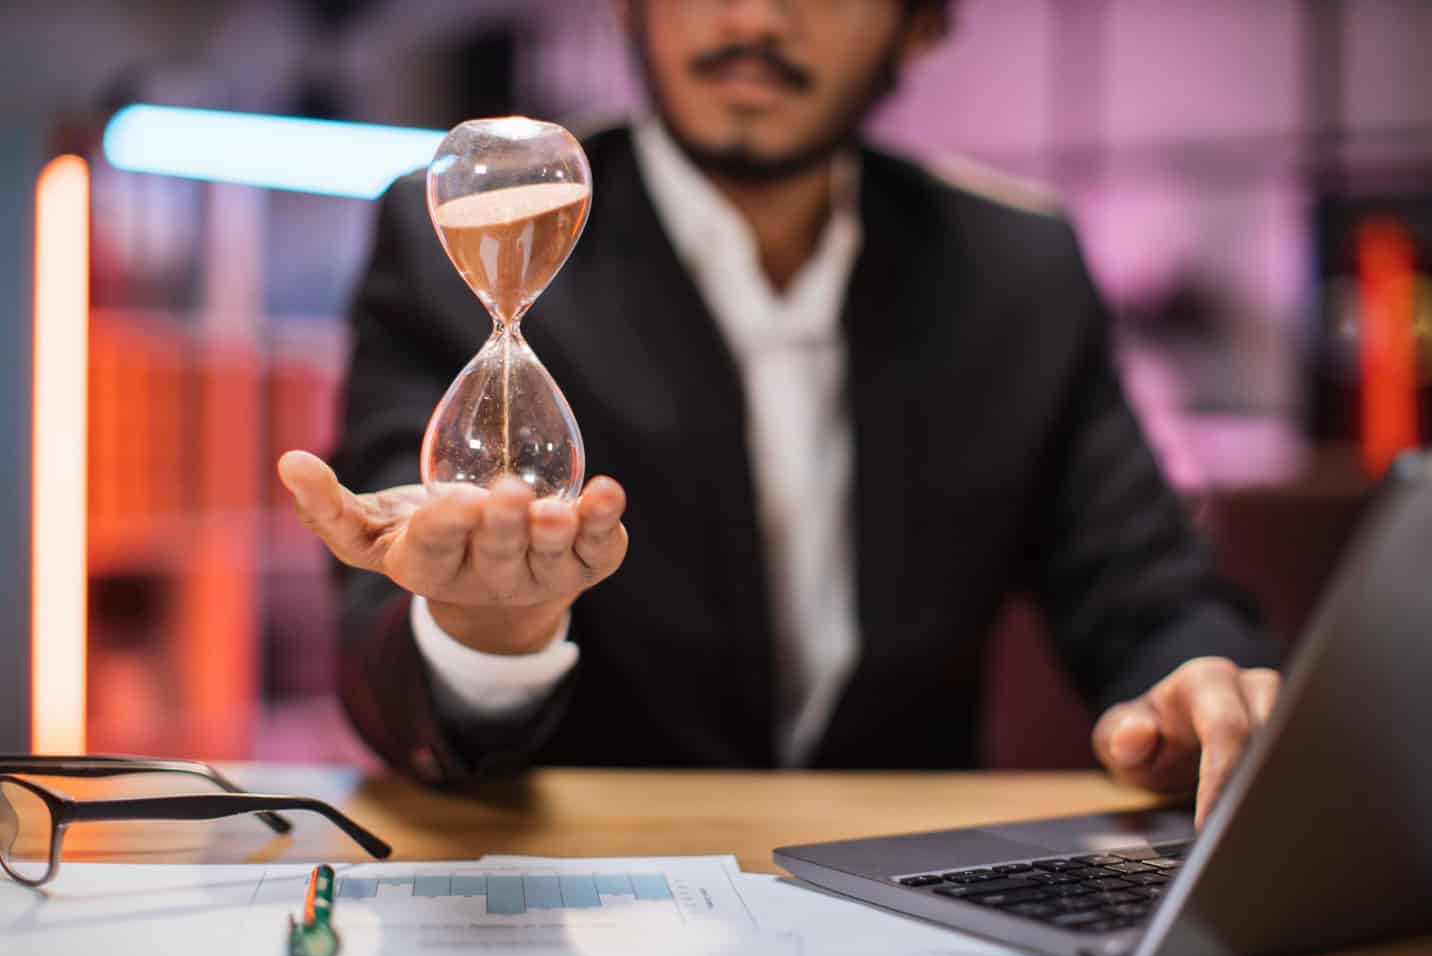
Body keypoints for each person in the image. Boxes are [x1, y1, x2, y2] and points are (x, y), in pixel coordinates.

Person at [278, 0, 1279, 827]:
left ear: (921, 24)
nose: (753, 17)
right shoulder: (469, 229)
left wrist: (1197, 682)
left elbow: (1143, 582)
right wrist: (484, 630)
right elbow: (381, 639)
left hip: (915, 881)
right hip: (583, 869)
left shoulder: (1016, 270)